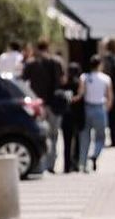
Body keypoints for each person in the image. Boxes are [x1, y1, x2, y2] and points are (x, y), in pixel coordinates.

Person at [22, 38, 65, 173]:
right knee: (53, 135)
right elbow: (62, 80)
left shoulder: (31, 64)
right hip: (54, 104)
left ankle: (41, 164)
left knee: (40, 134)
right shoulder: (56, 62)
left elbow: (23, 81)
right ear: (48, 47)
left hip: (38, 104)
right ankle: (51, 164)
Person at [76, 55, 113, 172]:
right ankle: (94, 154)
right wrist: (106, 109)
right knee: (100, 137)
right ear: (100, 65)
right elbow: (110, 97)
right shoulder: (106, 79)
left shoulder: (84, 77)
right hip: (100, 108)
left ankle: (83, 163)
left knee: (85, 136)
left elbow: (80, 93)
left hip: (87, 108)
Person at [61, 62, 83, 173]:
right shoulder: (79, 84)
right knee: (77, 141)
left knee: (67, 143)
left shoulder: (63, 84)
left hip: (66, 116)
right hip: (77, 116)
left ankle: (66, 166)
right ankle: (76, 163)